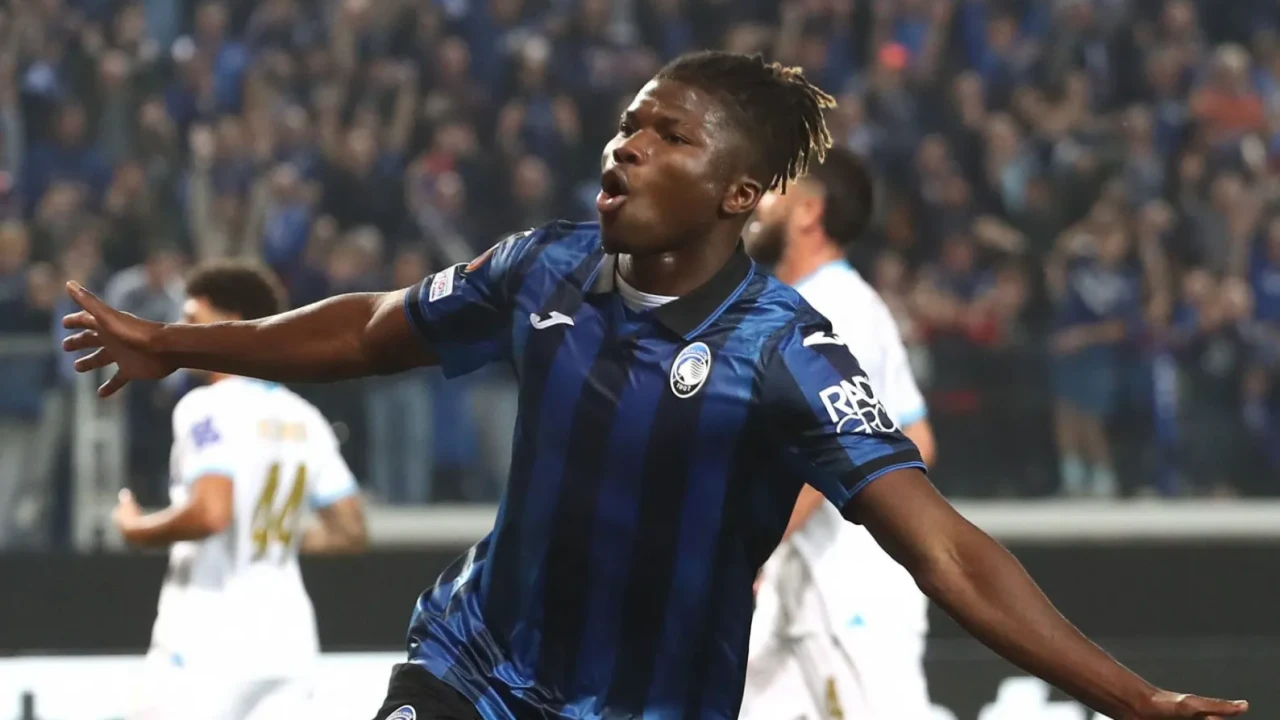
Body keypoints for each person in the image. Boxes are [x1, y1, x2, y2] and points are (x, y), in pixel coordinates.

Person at [64, 51, 1244, 720]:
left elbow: (944, 549)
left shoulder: (786, 353)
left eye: (667, 135)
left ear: (738, 194)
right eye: (628, 124)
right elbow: (376, 329)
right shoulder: (541, 267)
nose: (624, 145)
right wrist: (179, 340)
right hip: (473, 667)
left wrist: (1126, 699)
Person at [111, 260, 368, 720]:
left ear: (229, 325)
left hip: (210, 635)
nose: (180, 332)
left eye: (192, 319)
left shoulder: (205, 407)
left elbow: (212, 513)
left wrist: (137, 530)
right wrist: (273, 535)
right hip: (287, 638)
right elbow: (350, 530)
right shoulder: (303, 416)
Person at [742, 147, 938, 720]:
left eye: (775, 190)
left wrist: (748, 548)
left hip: (853, 585)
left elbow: (832, 453)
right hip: (801, 580)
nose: (759, 205)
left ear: (808, 211)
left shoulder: (835, 311)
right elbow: (918, 434)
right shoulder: (833, 304)